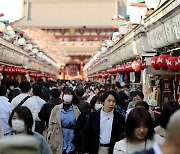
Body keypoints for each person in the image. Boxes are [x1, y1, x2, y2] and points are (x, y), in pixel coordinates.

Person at [47, 88, 81, 154]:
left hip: (72, 136)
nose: (67, 96)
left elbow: (79, 125)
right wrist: (50, 136)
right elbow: (51, 124)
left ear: (73, 97)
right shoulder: (56, 109)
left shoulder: (76, 110)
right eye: (65, 94)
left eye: (69, 94)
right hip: (59, 135)